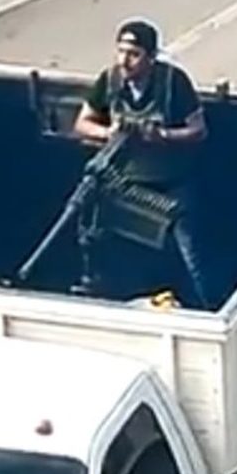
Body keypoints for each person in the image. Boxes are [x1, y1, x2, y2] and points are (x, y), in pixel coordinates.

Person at [73, 19, 212, 309]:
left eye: (134, 54)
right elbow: (82, 123)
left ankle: (208, 306)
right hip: (126, 184)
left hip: (171, 187)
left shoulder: (173, 84)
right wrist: (108, 133)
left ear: (151, 57)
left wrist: (162, 136)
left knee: (192, 255)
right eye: (121, 52)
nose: (125, 61)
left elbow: (198, 130)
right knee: (98, 240)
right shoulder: (110, 81)